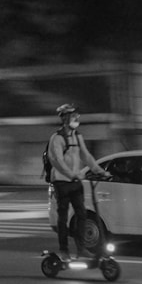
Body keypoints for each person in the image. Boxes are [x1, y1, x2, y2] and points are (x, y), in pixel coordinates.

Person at [49, 104, 108, 260]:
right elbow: (57, 161)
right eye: (71, 116)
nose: (75, 119)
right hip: (62, 183)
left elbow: (86, 156)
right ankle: (64, 250)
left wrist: (99, 171)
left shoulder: (77, 136)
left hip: (75, 182)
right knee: (63, 218)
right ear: (64, 118)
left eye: (76, 116)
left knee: (82, 214)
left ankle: (81, 249)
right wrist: (72, 174)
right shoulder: (57, 138)